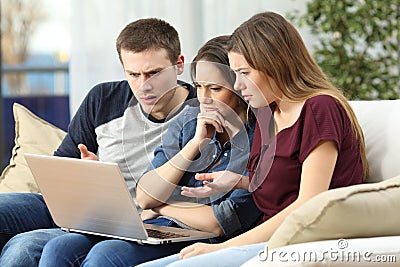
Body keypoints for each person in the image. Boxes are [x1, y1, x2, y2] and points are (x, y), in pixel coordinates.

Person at [137, 11, 368, 267]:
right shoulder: (270, 116)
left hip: (301, 242)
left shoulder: (319, 108)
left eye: (244, 73)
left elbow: (308, 205)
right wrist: (241, 182)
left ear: (274, 65)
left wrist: (224, 248)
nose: (238, 85)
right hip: (270, 238)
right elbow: (286, 185)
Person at [37, 35, 262, 266]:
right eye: (199, 87)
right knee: (59, 248)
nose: (203, 98)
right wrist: (194, 144)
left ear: (239, 88)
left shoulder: (260, 140)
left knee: (106, 255)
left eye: (215, 88)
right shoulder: (189, 119)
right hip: (160, 228)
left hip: (205, 238)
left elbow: (219, 221)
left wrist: (162, 207)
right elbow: (145, 195)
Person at [0, 18, 197, 266]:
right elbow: (59, 168)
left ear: (179, 64)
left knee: (24, 249)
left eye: (154, 73)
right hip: (84, 210)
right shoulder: (103, 98)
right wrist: (89, 173)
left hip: (141, 224)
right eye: (133, 74)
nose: (143, 85)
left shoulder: (199, 114)